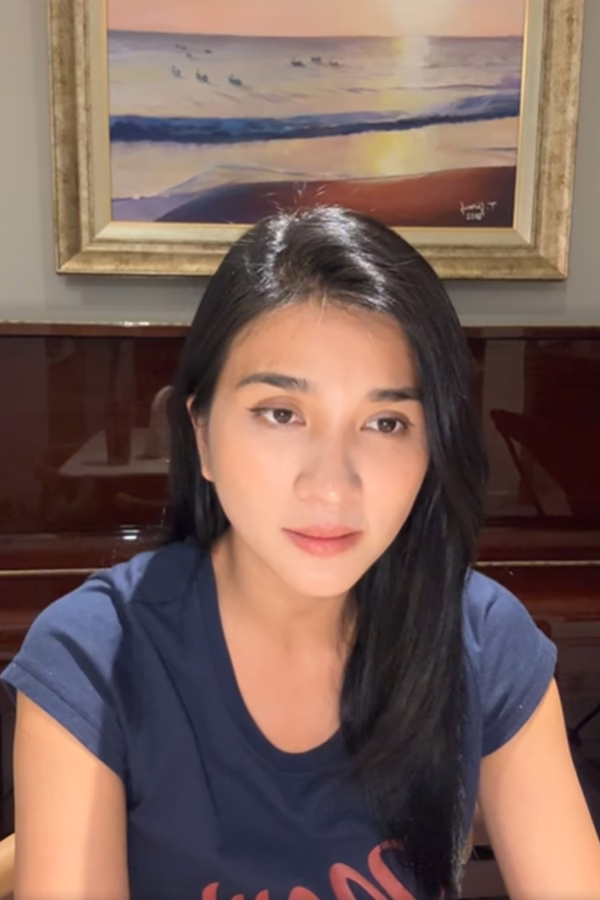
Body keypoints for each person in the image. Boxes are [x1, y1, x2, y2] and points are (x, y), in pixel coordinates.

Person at [2, 206, 600, 900]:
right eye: (281, 413)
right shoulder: (93, 657)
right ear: (201, 434)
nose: (331, 486)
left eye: (386, 422)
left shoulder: (483, 638)